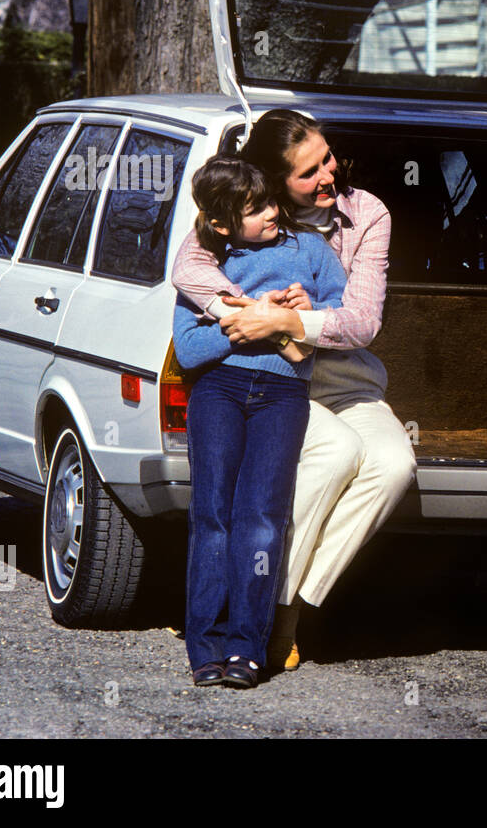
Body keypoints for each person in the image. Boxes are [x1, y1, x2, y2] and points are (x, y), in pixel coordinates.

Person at [171, 109, 417, 673]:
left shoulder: (367, 212)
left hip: (346, 379)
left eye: (327, 158)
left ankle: (288, 601)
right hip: (276, 382)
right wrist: (251, 311)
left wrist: (287, 323)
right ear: (273, 183)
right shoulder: (244, 208)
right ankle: (262, 619)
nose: (329, 176)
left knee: (393, 462)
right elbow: (189, 268)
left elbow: (361, 323)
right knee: (337, 455)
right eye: (309, 173)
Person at [172, 156, 347, 688]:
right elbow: (188, 344)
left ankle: (249, 647)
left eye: (271, 199)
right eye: (257, 209)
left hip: (282, 396)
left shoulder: (312, 251)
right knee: (214, 517)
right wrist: (249, 325)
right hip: (218, 391)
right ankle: (206, 646)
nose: (274, 211)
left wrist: (300, 312)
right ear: (223, 224)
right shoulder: (208, 260)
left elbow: (336, 323)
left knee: (263, 518)